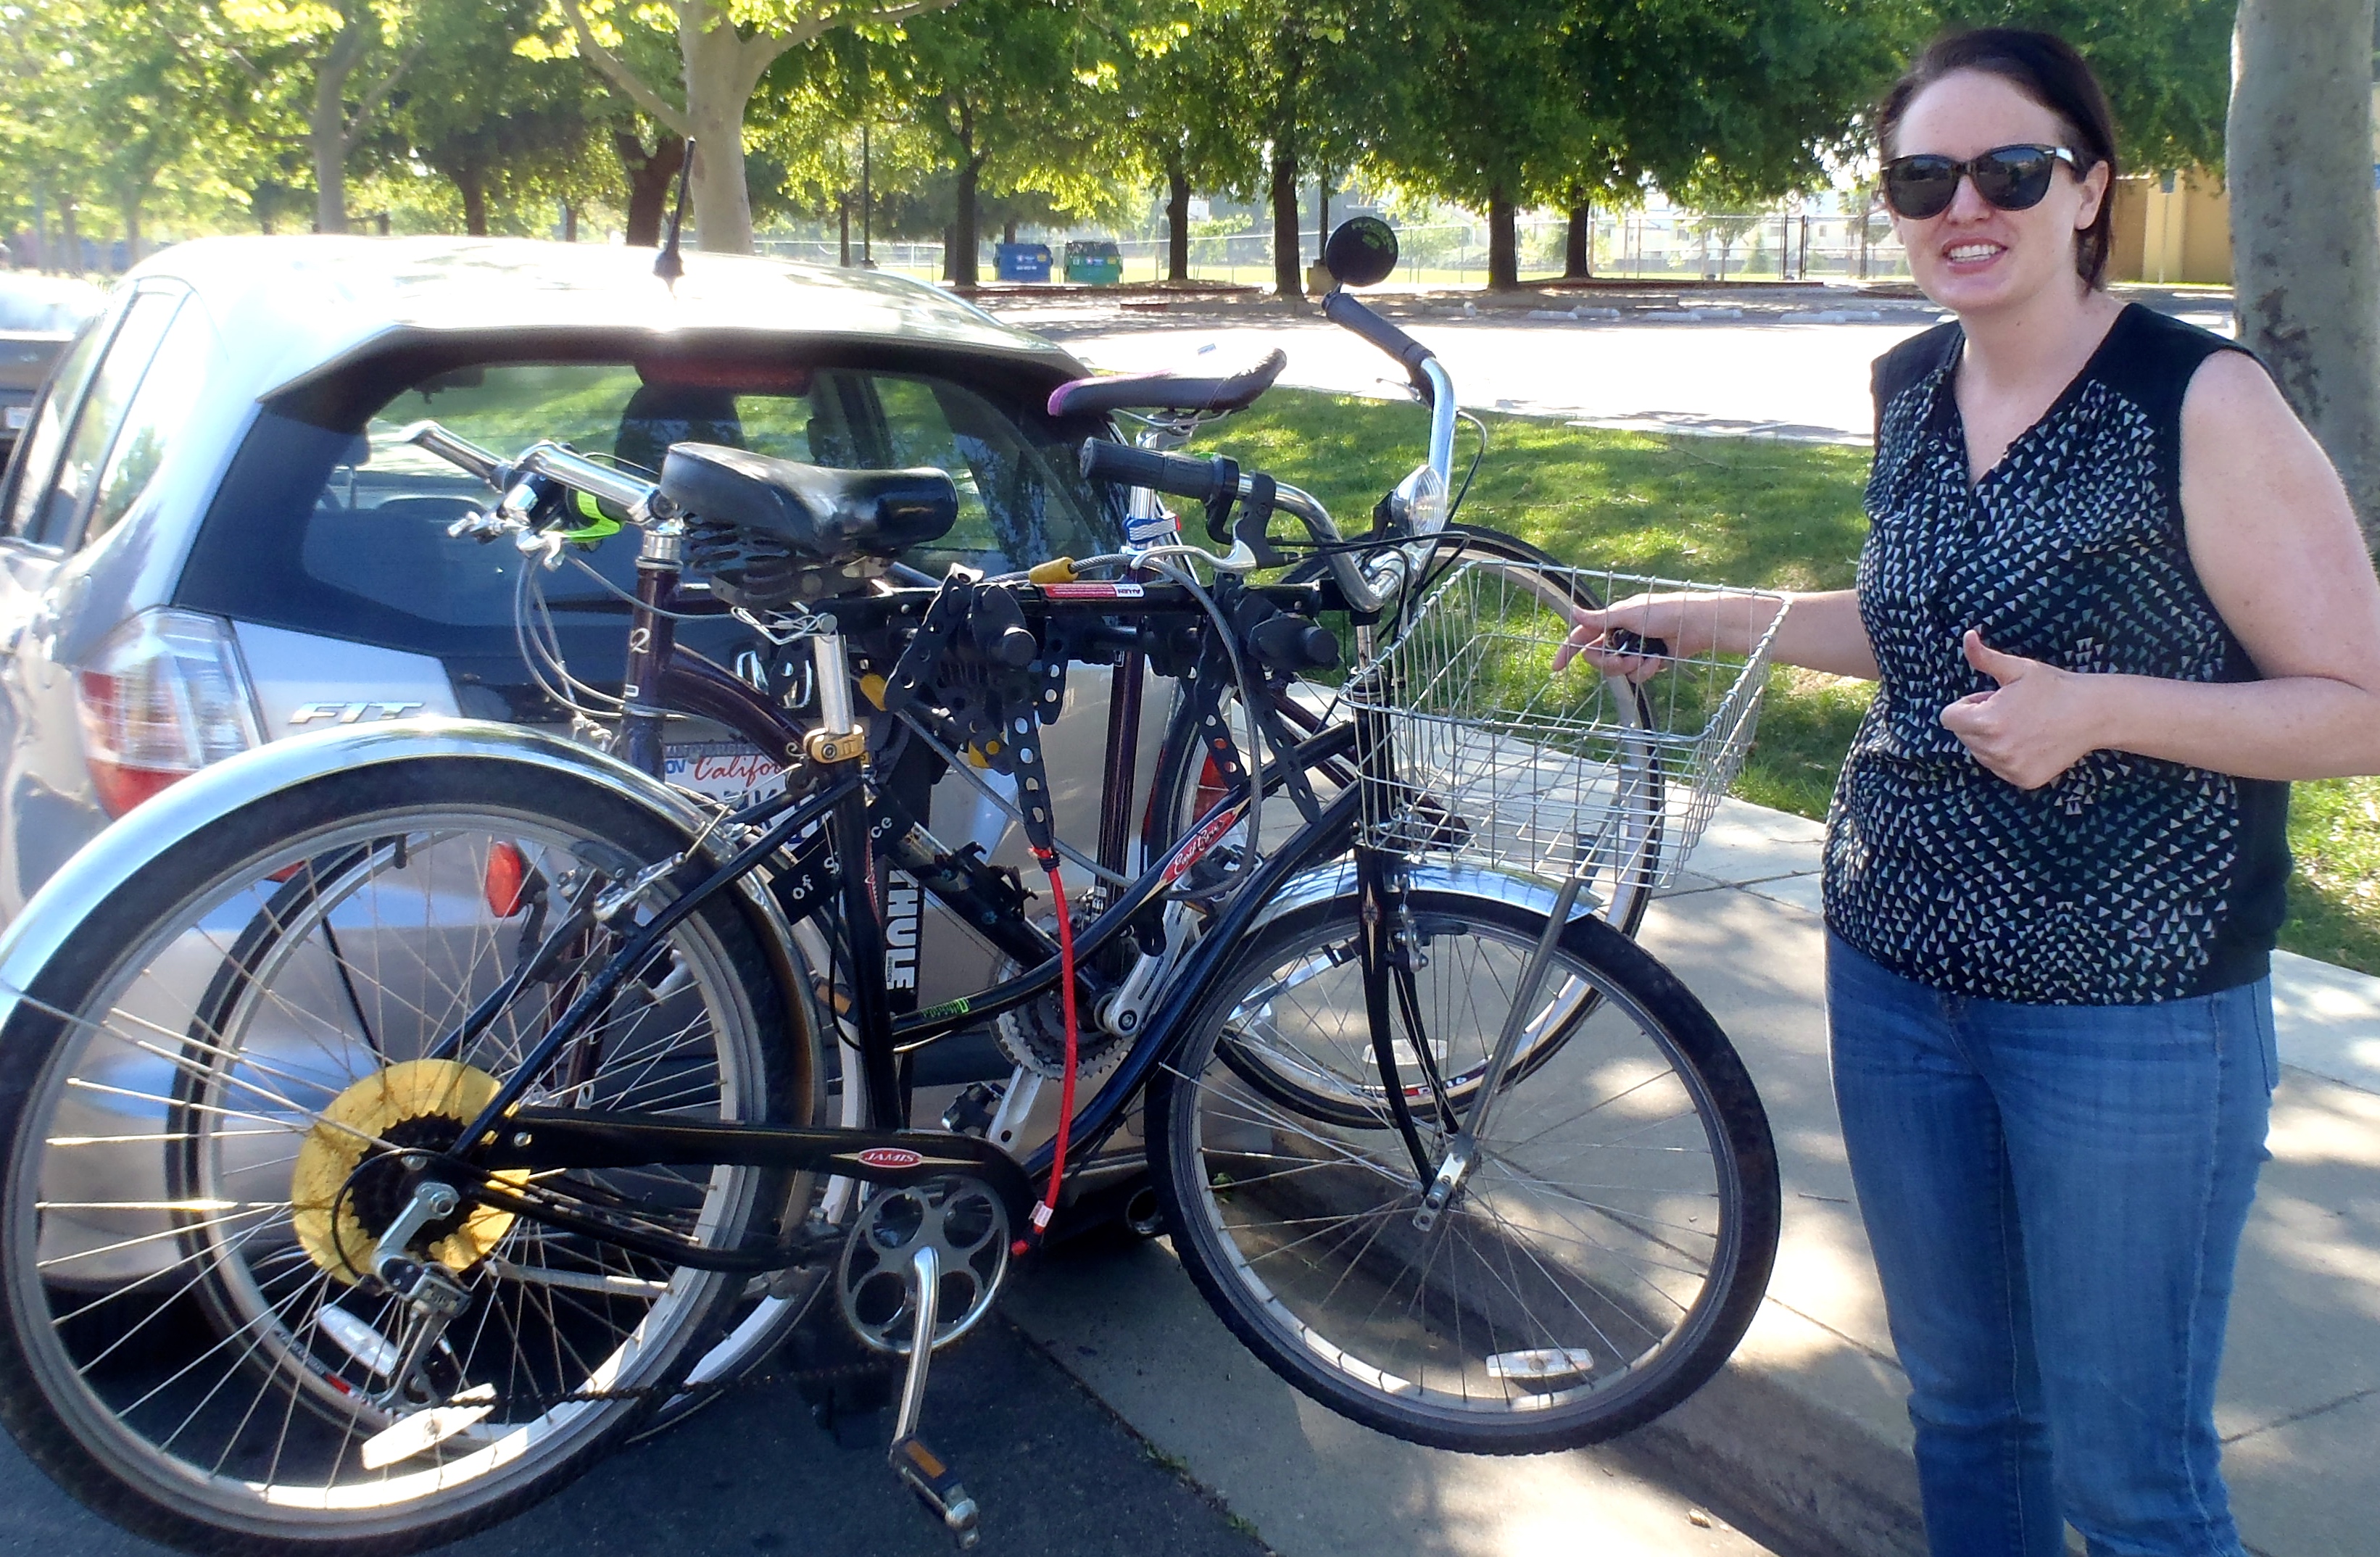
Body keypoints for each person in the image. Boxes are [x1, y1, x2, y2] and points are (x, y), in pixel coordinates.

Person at [1559, 28, 2380, 1557]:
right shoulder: (1912, 385)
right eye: (1922, 180)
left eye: (2011, 169)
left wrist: (2102, 712)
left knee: (2133, 1482)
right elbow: (1917, 625)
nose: (1965, 208)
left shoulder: (2195, 398)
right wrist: (1704, 618)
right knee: (1965, 1414)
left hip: (2129, 1005)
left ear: (2090, 190)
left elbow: (2358, 708)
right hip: (1894, 974)